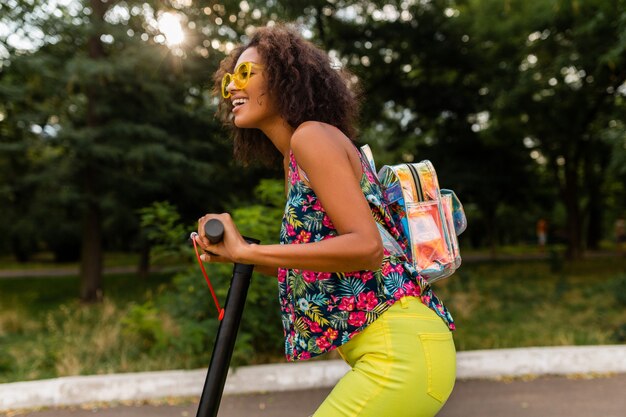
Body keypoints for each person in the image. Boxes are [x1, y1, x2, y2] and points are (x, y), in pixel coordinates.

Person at [194, 24, 456, 417]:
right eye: (230, 77)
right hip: (398, 351)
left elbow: (365, 248)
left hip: (400, 356)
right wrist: (241, 256)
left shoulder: (311, 137)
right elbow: (315, 263)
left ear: (284, 80)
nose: (231, 87)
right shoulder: (296, 158)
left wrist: (250, 249)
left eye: (246, 74)